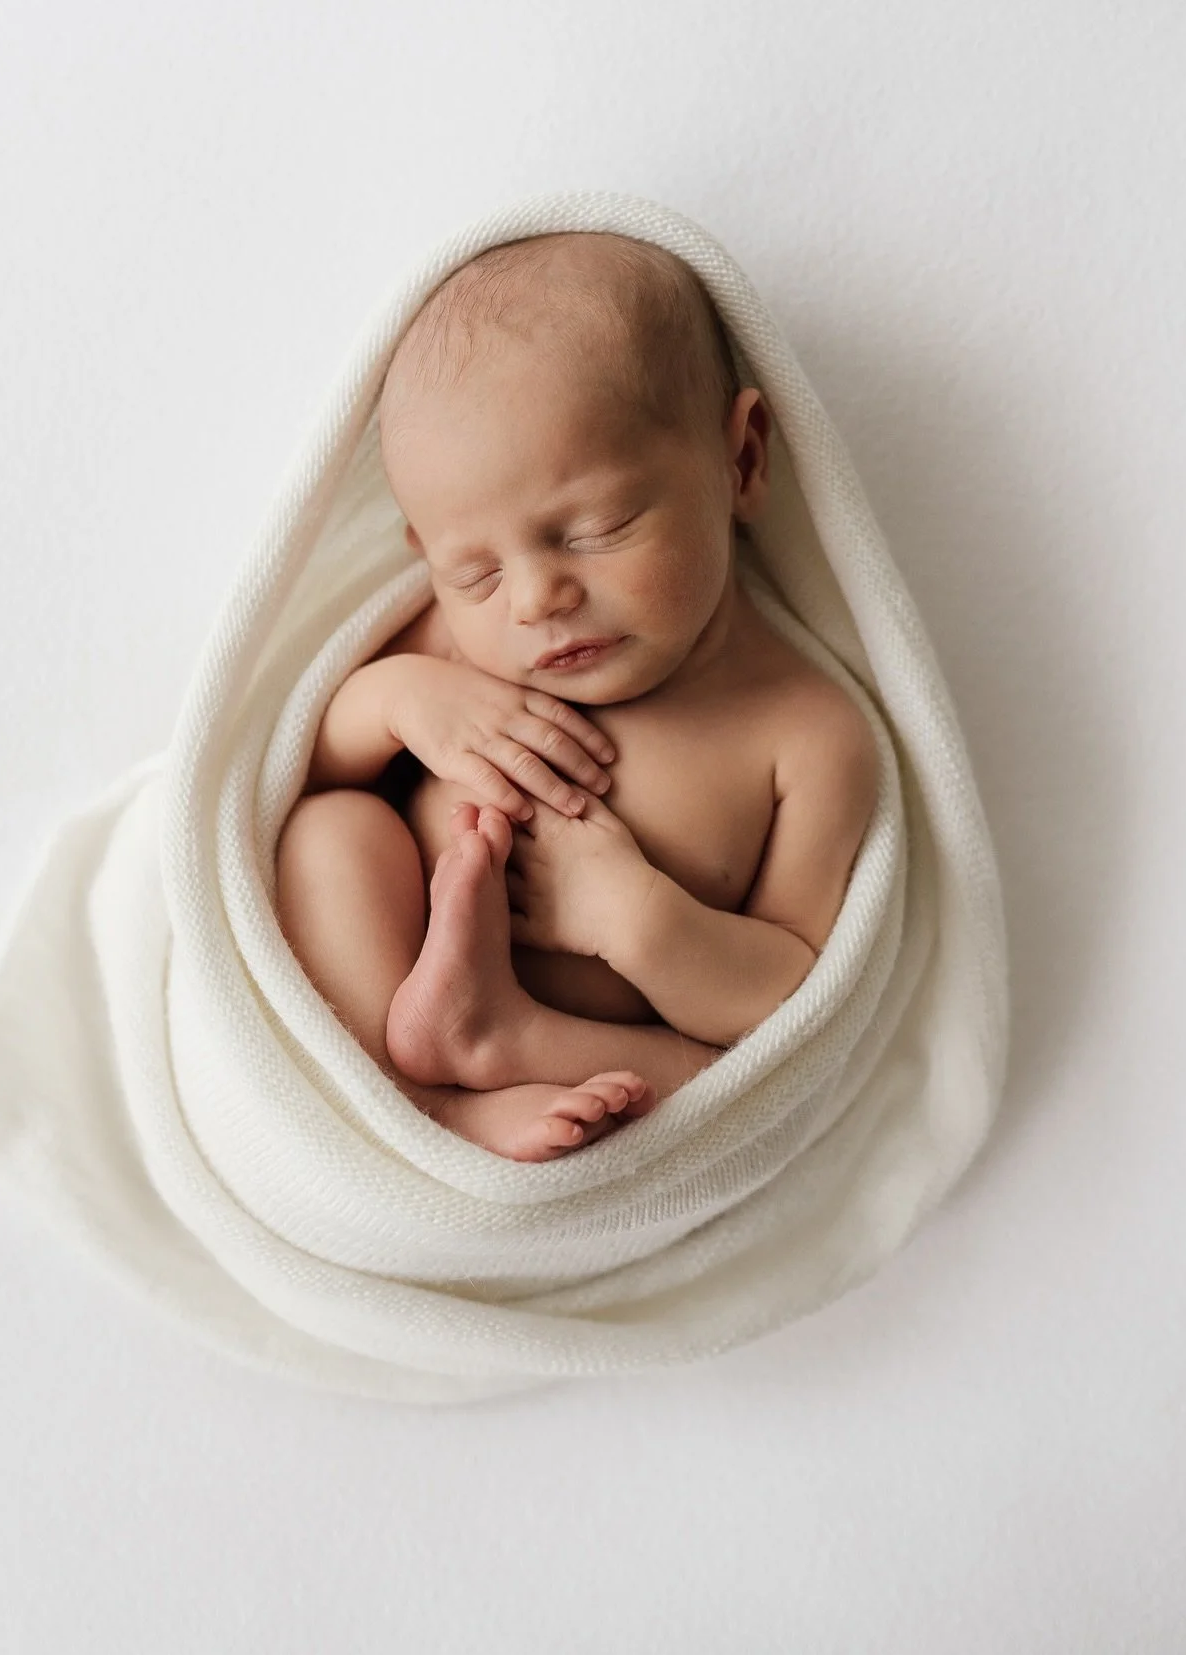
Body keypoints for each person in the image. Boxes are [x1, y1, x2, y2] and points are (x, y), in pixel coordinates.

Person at [273, 231, 880, 1161]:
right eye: (472, 570)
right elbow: (306, 766)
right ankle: (420, 1111)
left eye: (596, 529)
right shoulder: (461, 647)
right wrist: (401, 699)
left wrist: (634, 916)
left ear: (743, 461)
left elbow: (786, 994)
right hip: (405, 955)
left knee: (733, 1086)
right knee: (329, 838)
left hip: (597, 1056)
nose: (533, 600)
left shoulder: (808, 735)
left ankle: (501, 1039)